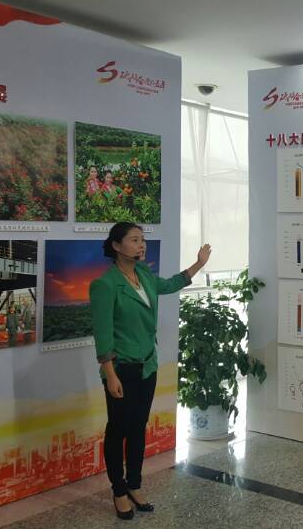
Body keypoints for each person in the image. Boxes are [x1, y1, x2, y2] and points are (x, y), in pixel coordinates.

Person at [91, 222, 211, 520]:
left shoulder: (143, 274)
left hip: (147, 365)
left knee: (138, 427)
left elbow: (168, 285)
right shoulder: (105, 285)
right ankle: (119, 490)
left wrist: (198, 264)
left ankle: (134, 484)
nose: (141, 244)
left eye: (142, 239)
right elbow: (103, 334)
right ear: (116, 246)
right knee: (118, 430)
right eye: (134, 240)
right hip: (122, 369)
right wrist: (110, 374)